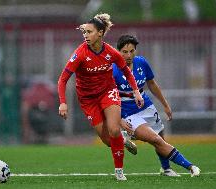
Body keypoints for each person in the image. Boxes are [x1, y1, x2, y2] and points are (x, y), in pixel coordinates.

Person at [57, 14, 144, 181]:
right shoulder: (80, 54)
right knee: (107, 140)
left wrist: (136, 91)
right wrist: (63, 103)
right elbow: (63, 79)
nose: (86, 35)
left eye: (89, 32)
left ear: (100, 33)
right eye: (84, 32)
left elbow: (126, 70)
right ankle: (123, 140)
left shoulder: (111, 52)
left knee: (113, 129)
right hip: (88, 99)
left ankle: (119, 172)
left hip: (108, 92)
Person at [112, 34, 200, 177]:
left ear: (135, 50)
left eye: (132, 51)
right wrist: (119, 120)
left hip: (145, 104)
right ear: (118, 51)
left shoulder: (141, 63)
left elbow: (152, 84)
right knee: (155, 139)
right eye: (124, 51)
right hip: (127, 111)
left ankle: (166, 169)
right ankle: (190, 166)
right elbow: (108, 98)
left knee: (160, 135)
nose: (128, 55)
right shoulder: (113, 69)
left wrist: (165, 105)